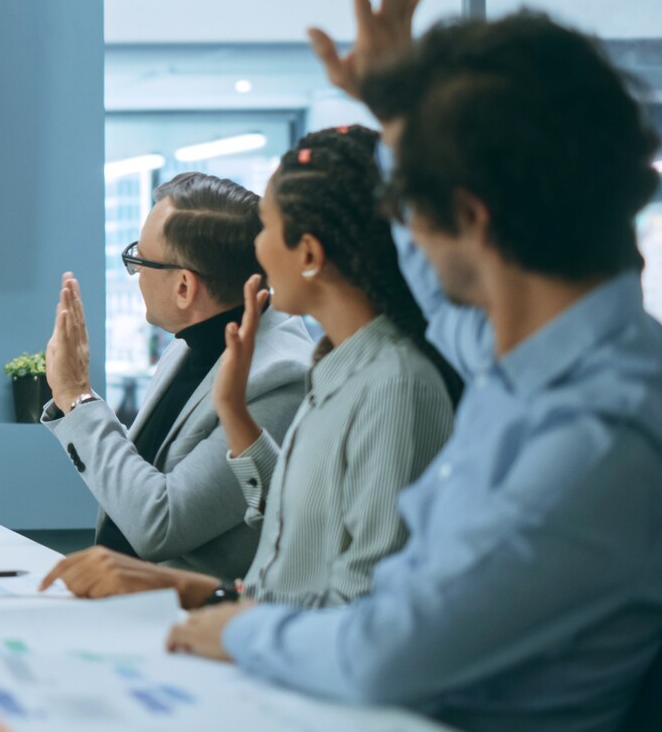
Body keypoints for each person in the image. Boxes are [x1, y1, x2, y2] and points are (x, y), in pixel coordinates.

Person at [167, 0, 662, 732]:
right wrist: (400, 113)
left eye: (409, 207)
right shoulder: (538, 355)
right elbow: (436, 285)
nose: (397, 231)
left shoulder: (599, 434)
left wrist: (235, 624)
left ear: (470, 219)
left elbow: (384, 653)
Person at [42, 126, 458, 610]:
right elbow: (295, 529)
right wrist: (236, 417)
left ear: (307, 255)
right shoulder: (335, 365)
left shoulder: (391, 385)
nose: (252, 252)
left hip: (280, 656)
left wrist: (220, 611)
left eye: (268, 230)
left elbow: (361, 601)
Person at [40, 173, 315, 582]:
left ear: (185, 287)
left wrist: (78, 397)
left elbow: (161, 524)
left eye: (138, 260)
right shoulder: (190, 343)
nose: (134, 272)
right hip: (122, 602)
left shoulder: (280, 377)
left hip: (190, 622)